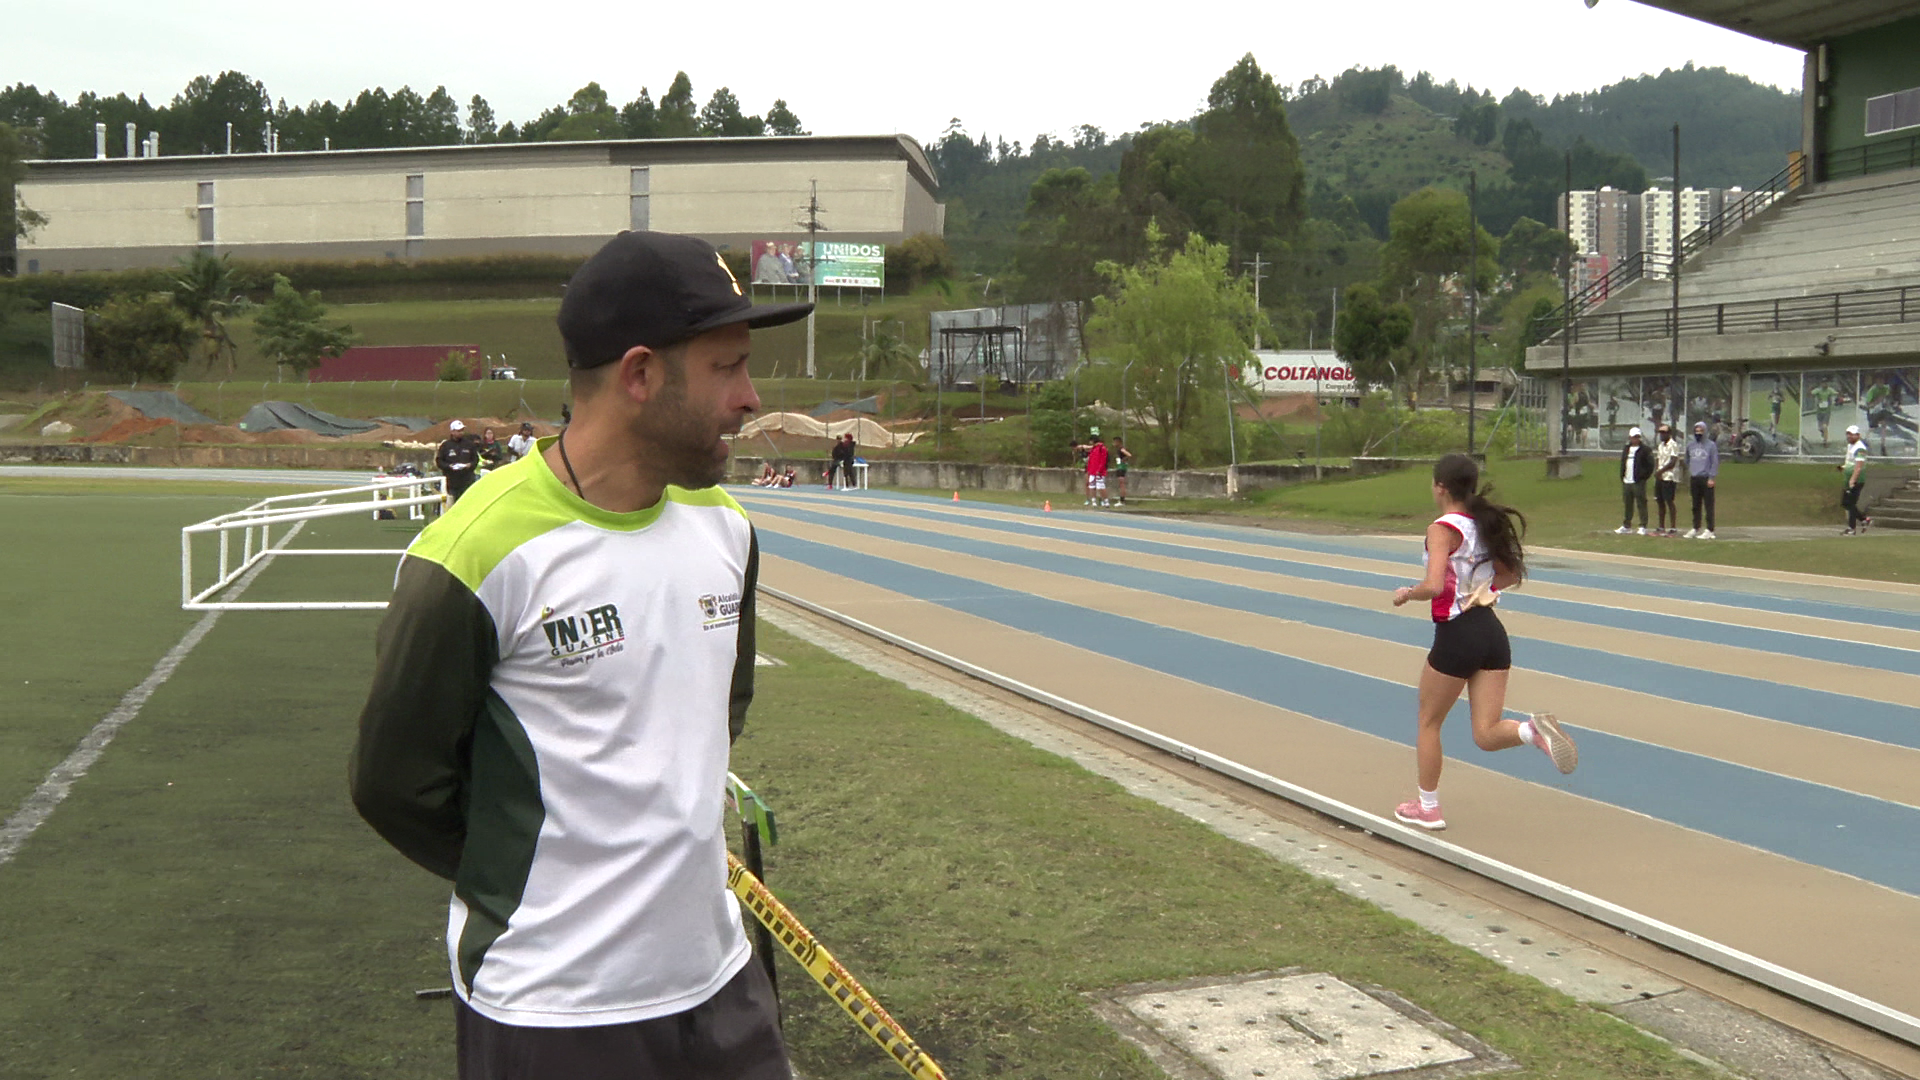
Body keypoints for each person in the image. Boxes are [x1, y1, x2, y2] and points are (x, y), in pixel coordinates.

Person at [351, 230, 811, 1080]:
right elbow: (395, 783)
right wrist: (550, 886)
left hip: (722, 986)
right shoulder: (476, 553)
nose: (751, 399)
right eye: (727, 367)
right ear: (639, 375)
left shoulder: (729, 533)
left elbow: (718, 715)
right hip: (555, 1011)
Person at [1390, 454, 1577, 831]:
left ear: (1440, 487)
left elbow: (1434, 585)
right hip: (1491, 633)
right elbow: (1510, 575)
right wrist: (1484, 590)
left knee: (1428, 722)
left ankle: (1428, 808)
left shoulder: (1442, 528)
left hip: (1457, 633)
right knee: (1486, 734)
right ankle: (1531, 731)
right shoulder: (1484, 525)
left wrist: (1407, 593)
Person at [1685, 420, 1718, 539]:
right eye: (1696, 431)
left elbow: (1714, 462)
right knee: (1695, 504)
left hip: (1706, 478)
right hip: (1695, 477)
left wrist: (1711, 477)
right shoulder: (1690, 445)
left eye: (1701, 431)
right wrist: (1691, 471)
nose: (1698, 433)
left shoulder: (1711, 445)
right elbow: (1687, 459)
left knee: (1708, 505)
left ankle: (1710, 529)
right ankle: (1695, 527)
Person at [435, 419, 481, 503]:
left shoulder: (469, 444)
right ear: (452, 431)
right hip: (452, 482)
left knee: (468, 502)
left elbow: (475, 459)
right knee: (454, 503)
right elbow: (439, 461)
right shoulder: (446, 446)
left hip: (467, 480)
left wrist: (470, 465)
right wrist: (449, 466)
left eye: (462, 430)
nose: (461, 433)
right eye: (458, 430)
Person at [1616, 427, 1651, 535]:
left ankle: (1643, 525)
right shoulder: (1626, 449)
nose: (1634, 439)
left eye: (1637, 437)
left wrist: (1643, 477)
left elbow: (1650, 465)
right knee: (1627, 503)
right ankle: (1627, 525)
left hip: (1638, 481)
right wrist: (1622, 476)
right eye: (1633, 437)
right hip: (1627, 480)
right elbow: (1623, 462)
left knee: (1641, 503)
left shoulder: (1645, 450)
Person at [1841, 424, 1873, 534]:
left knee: (1850, 503)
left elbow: (1859, 466)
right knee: (1845, 503)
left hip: (1857, 480)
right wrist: (1843, 468)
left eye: (1852, 434)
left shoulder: (1860, 448)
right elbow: (1850, 462)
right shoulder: (1850, 446)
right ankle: (1864, 519)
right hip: (1848, 478)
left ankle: (1852, 528)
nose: (1849, 436)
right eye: (1848, 434)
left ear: (1858, 435)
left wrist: (1853, 480)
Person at [1653, 423, 1681, 536]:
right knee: (1659, 500)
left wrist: (1661, 471)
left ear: (1669, 433)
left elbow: (1673, 462)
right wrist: (1657, 471)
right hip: (1660, 476)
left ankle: (1673, 527)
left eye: (1664, 432)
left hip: (1669, 476)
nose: (1662, 435)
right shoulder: (1660, 446)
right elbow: (1658, 459)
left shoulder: (1673, 445)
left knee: (1669, 500)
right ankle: (1661, 526)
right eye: (1660, 432)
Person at [1077, 429, 1111, 506]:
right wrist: (1089, 470)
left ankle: (1105, 501)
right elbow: (1091, 460)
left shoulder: (1102, 448)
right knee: (1092, 486)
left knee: (1101, 486)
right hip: (1092, 470)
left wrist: (1099, 470)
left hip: (1099, 471)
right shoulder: (1093, 449)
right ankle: (1093, 501)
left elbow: (1103, 460)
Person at [1110, 441, 1134, 505]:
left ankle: (1122, 500)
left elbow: (1129, 455)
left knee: (1122, 484)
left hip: (1121, 468)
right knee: (1120, 484)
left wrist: (1124, 459)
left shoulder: (1121, 449)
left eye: (1114, 442)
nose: (1113, 444)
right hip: (1119, 467)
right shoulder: (1118, 450)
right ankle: (1121, 499)